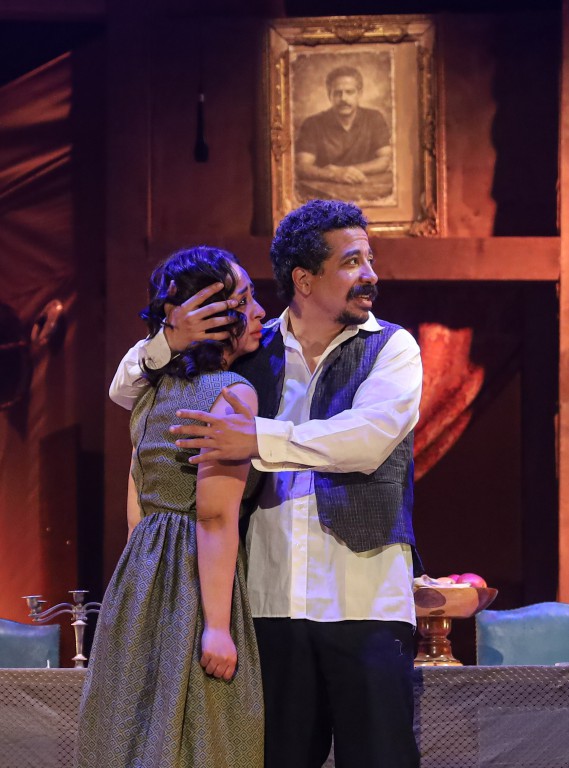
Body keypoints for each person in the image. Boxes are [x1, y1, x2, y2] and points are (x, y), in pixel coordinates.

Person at [109, 200, 422, 768]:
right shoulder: (251, 347)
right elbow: (128, 391)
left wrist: (257, 438)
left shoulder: (392, 348)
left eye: (369, 259)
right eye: (352, 261)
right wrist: (168, 340)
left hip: (367, 600)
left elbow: (367, 439)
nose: (370, 275)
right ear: (305, 279)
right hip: (266, 604)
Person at [77, 246, 266, 768]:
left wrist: (139, 584)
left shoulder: (149, 394)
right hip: (196, 576)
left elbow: (135, 506)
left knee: (134, 728)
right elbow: (214, 516)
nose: (259, 312)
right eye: (245, 301)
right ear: (212, 317)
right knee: (205, 733)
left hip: (139, 579)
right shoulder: (231, 393)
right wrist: (217, 625)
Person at [295, 65, 392, 186]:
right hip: (325, 191)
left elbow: (385, 160)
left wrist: (345, 171)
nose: (343, 98)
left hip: (366, 186)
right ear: (329, 95)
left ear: (359, 94)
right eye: (337, 93)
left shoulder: (374, 118)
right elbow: (302, 166)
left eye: (349, 92)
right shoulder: (312, 124)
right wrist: (333, 175)